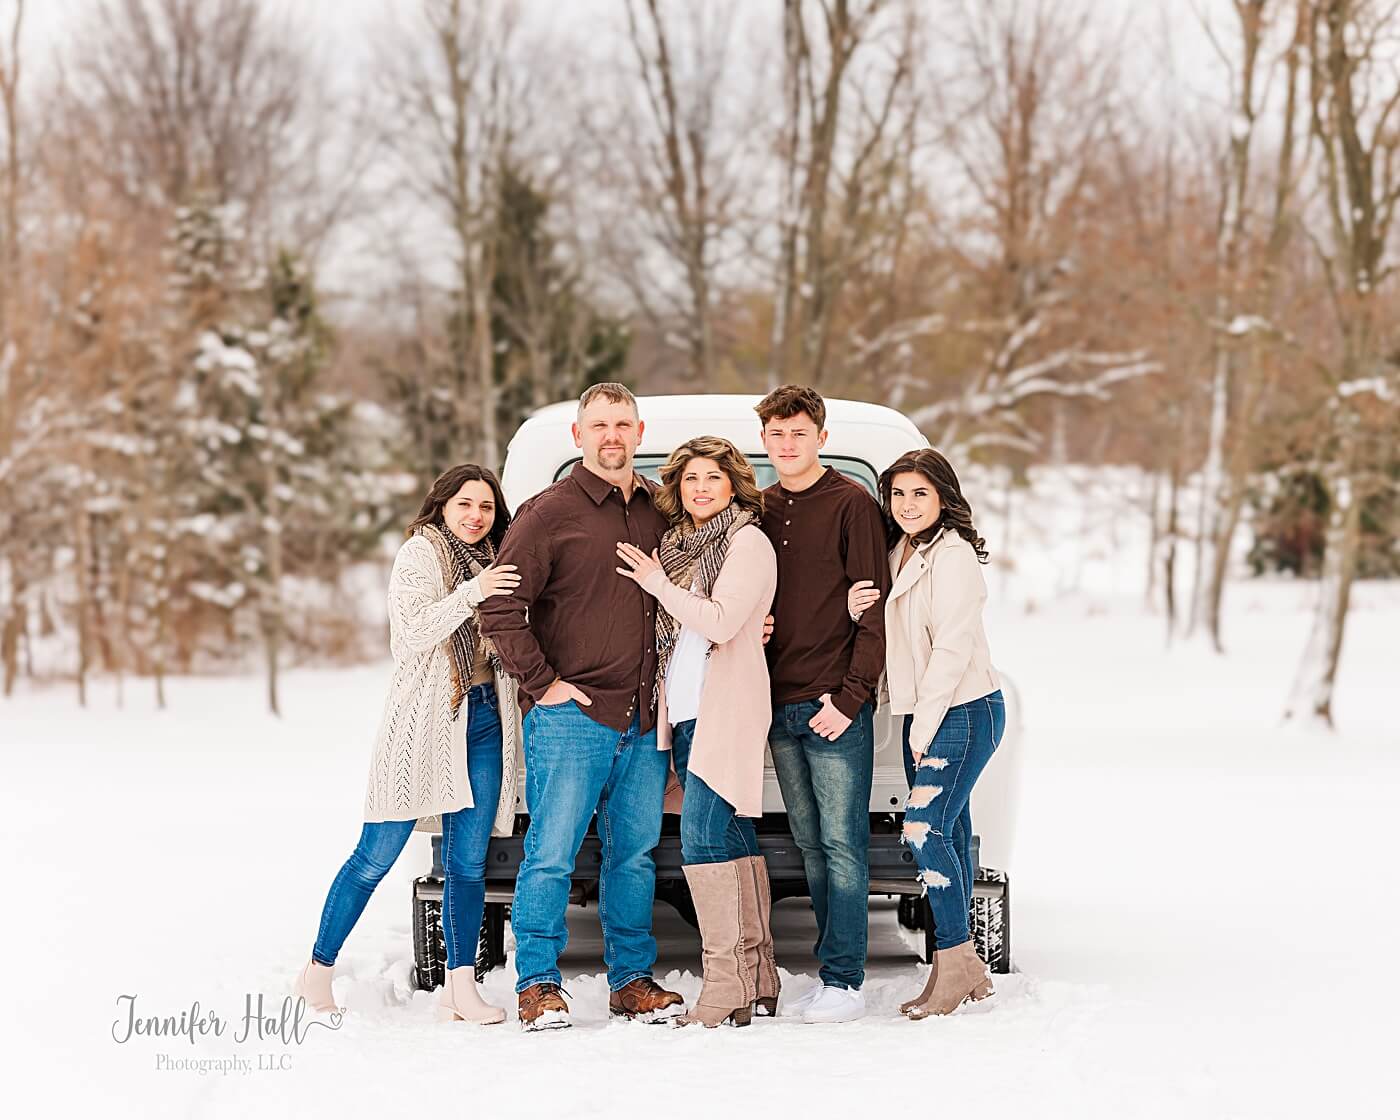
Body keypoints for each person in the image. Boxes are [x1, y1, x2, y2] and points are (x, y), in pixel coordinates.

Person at [479, 382, 685, 1031]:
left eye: (622, 423)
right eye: (599, 424)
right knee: (550, 853)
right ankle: (537, 984)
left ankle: (630, 980)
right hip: (572, 716)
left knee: (633, 855)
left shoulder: (660, 511)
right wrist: (543, 684)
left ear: (639, 432)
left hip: (645, 717)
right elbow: (498, 606)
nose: (611, 435)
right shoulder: (547, 513)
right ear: (578, 436)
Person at [293, 465, 522, 1025]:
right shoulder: (419, 556)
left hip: (487, 719)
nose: (475, 516)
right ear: (442, 505)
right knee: (375, 855)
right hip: (426, 725)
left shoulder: (496, 560)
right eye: (465, 504)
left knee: (468, 864)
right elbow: (411, 634)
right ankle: (316, 972)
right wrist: (474, 592)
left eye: (486, 507)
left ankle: (459, 987)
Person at [615, 436, 780, 1028]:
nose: (702, 488)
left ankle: (726, 986)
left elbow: (721, 619)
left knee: (704, 840)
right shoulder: (680, 546)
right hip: (683, 713)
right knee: (730, 838)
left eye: (713, 477)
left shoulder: (747, 542)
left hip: (726, 707)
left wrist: (659, 585)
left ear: (734, 483)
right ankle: (759, 979)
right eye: (690, 480)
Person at [848, 448, 1005, 1018]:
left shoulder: (954, 557)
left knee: (923, 830)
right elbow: (895, 619)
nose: (908, 505)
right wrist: (854, 602)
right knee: (952, 834)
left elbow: (952, 647)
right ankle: (957, 968)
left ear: (943, 497)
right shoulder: (905, 550)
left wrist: (925, 725)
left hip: (962, 710)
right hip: (933, 711)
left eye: (921, 493)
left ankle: (959, 960)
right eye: (899, 494)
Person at [755, 384, 890, 1024]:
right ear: (765, 442)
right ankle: (832, 968)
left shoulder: (852, 504)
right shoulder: (760, 506)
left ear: (821, 438)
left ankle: (845, 979)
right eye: (777, 435)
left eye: (799, 433)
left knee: (843, 843)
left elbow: (875, 612)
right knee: (809, 843)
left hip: (833, 703)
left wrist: (850, 696)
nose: (788, 444)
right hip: (776, 702)